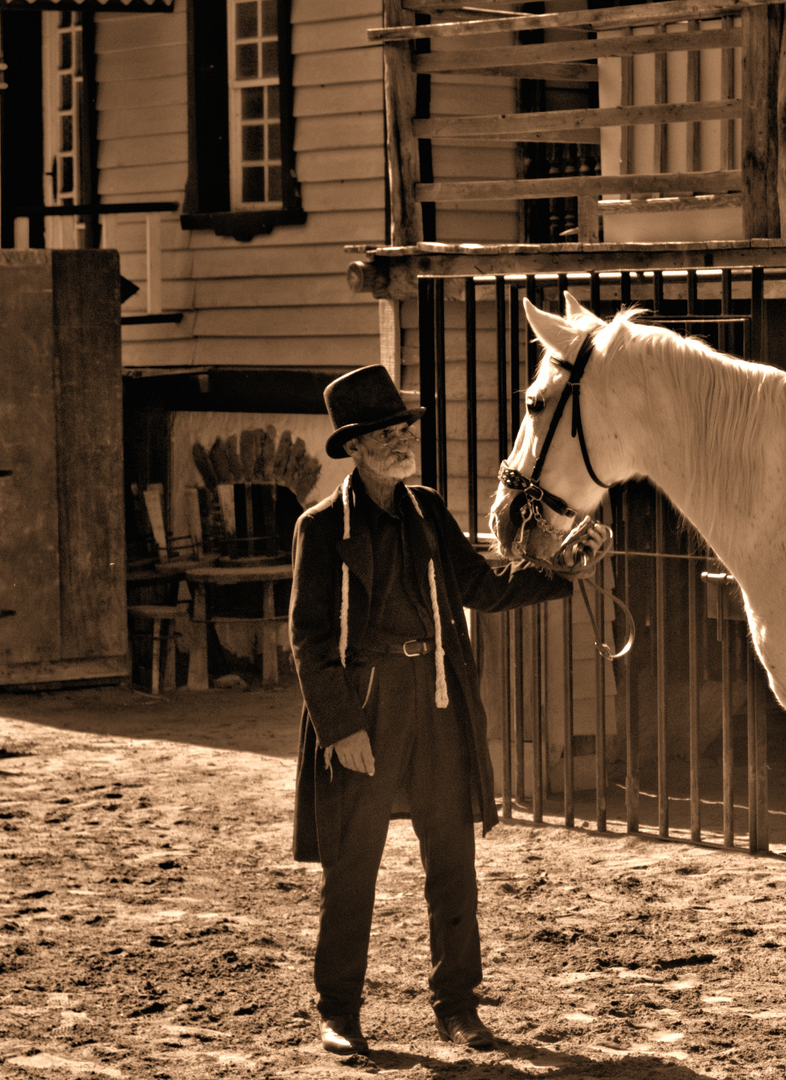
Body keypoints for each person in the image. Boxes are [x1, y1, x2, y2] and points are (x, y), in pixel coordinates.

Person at [289, 365, 573, 1055]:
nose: (400, 442)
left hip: (438, 699)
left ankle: (457, 1007)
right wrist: (341, 728)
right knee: (351, 866)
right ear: (353, 449)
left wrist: (562, 570)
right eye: (384, 434)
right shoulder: (323, 528)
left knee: (453, 863)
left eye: (404, 429)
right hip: (365, 709)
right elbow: (308, 639)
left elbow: (480, 585)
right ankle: (340, 1012)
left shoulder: (427, 510)